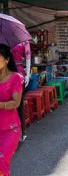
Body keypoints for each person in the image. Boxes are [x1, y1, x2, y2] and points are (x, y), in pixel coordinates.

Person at [0, 44, 23, 176]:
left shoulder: (15, 78)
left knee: (1, 160)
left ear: (7, 60)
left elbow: (16, 102)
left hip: (10, 129)